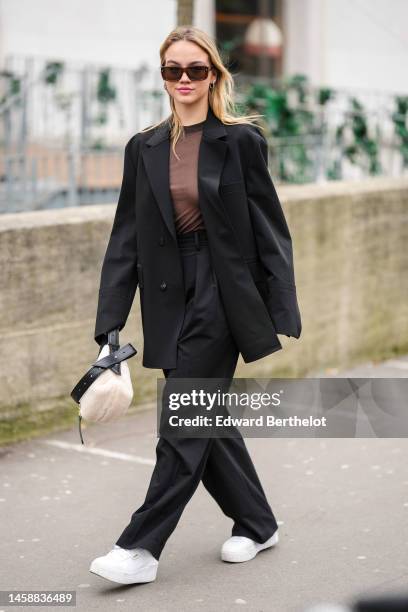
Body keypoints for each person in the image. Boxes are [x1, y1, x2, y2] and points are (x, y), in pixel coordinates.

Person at [89, 25, 302, 585]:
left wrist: (280, 303)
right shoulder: (146, 147)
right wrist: (109, 319)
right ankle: (258, 523)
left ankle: (139, 547)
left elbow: (269, 228)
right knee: (205, 414)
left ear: (214, 75)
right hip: (167, 292)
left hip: (224, 289)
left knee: (182, 416)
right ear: (163, 76)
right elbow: (126, 237)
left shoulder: (240, 141)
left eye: (195, 70)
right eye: (172, 70)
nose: (184, 80)